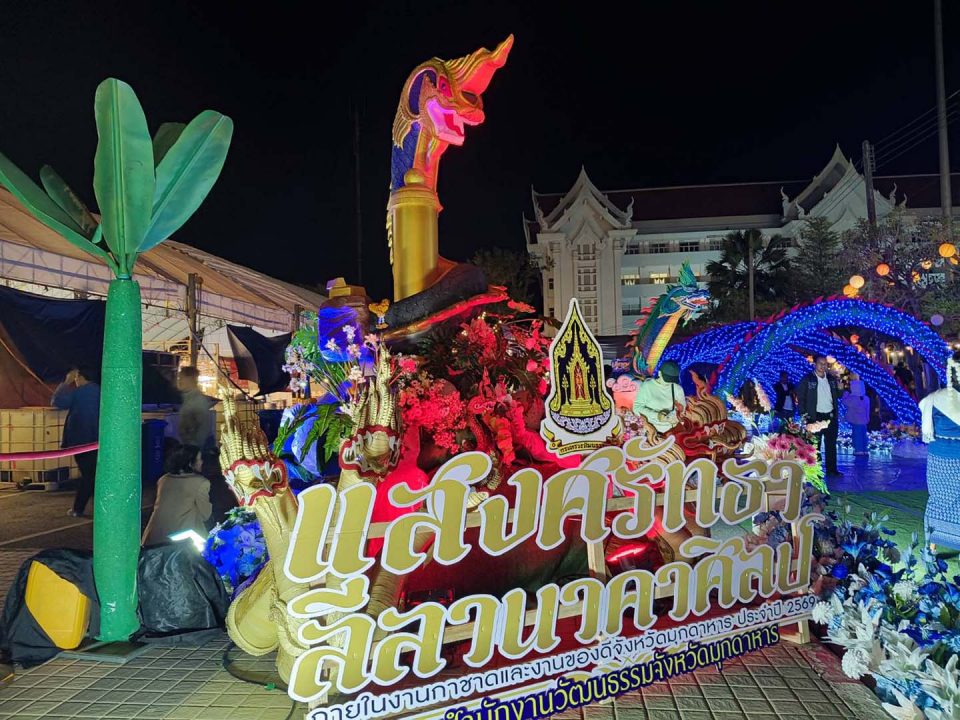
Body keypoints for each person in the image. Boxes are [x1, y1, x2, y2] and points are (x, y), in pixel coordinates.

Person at [919, 351, 960, 551]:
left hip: (939, 457)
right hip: (945, 457)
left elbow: (927, 428)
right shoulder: (936, 398)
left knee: (938, 500)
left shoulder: (934, 398)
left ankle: (931, 548)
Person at [52, 367, 100, 517]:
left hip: (81, 440)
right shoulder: (101, 391)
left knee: (88, 475)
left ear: (81, 377)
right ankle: (95, 507)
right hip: (98, 439)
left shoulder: (80, 392)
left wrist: (66, 382)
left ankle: (78, 508)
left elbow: (58, 402)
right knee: (94, 473)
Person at [142, 444, 212, 546]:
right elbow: (205, 515)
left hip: (154, 537)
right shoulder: (201, 483)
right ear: (190, 463)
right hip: (182, 543)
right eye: (199, 459)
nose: (201, 462)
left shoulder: (163, 480)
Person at [796, 355, 842, 478]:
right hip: (814, 417)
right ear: (815, 364)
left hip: (830, 416)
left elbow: (838, 395)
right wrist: (804, 415)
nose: (823, 366)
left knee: (831, 444)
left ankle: (832, 470)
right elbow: (801, 397)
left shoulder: (831, 379)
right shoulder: (808, 379)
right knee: (815, 445)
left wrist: (840, 389)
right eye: (820, 363)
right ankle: (817, 471)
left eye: (825, 363)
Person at [633, 361, 686, 433]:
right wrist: (657, 415)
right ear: (659, 373)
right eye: (667, 379)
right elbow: (637, 408)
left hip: (672, 430)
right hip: (651, 429)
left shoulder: (677, 388)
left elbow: (682, 409)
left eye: (672, 379)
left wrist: (674, 417)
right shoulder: (647, 386)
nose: (669, 382)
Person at [177, 366, 217, 451]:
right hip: (189, 446)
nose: (179, 381)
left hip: (194, 448)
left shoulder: (197, 400)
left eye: (181, 378)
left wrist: (194, 448)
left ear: (189, 379)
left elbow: (203, 428)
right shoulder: (188, 398)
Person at [842, 373, 871, 456]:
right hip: (864, 420)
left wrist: (845, 394)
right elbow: (868, 409)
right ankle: (865, 449)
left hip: (856, 421)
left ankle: (858, 450)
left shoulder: (853, 399)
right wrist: (867, 418)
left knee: (857, 435)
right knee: (863, 434)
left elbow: (844, 402)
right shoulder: (866, 398)